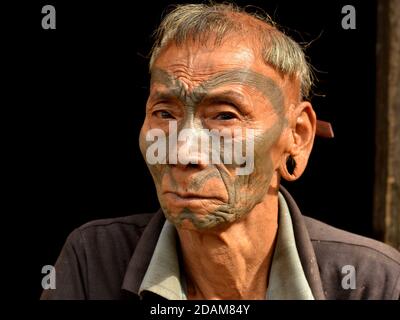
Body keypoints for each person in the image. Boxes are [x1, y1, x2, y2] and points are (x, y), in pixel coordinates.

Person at [41, 3, 400, 300]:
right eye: (164, 114)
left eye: (225, 116)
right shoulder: (94, 262)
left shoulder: (372, 281)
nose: (182, 152)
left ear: (298, 136)